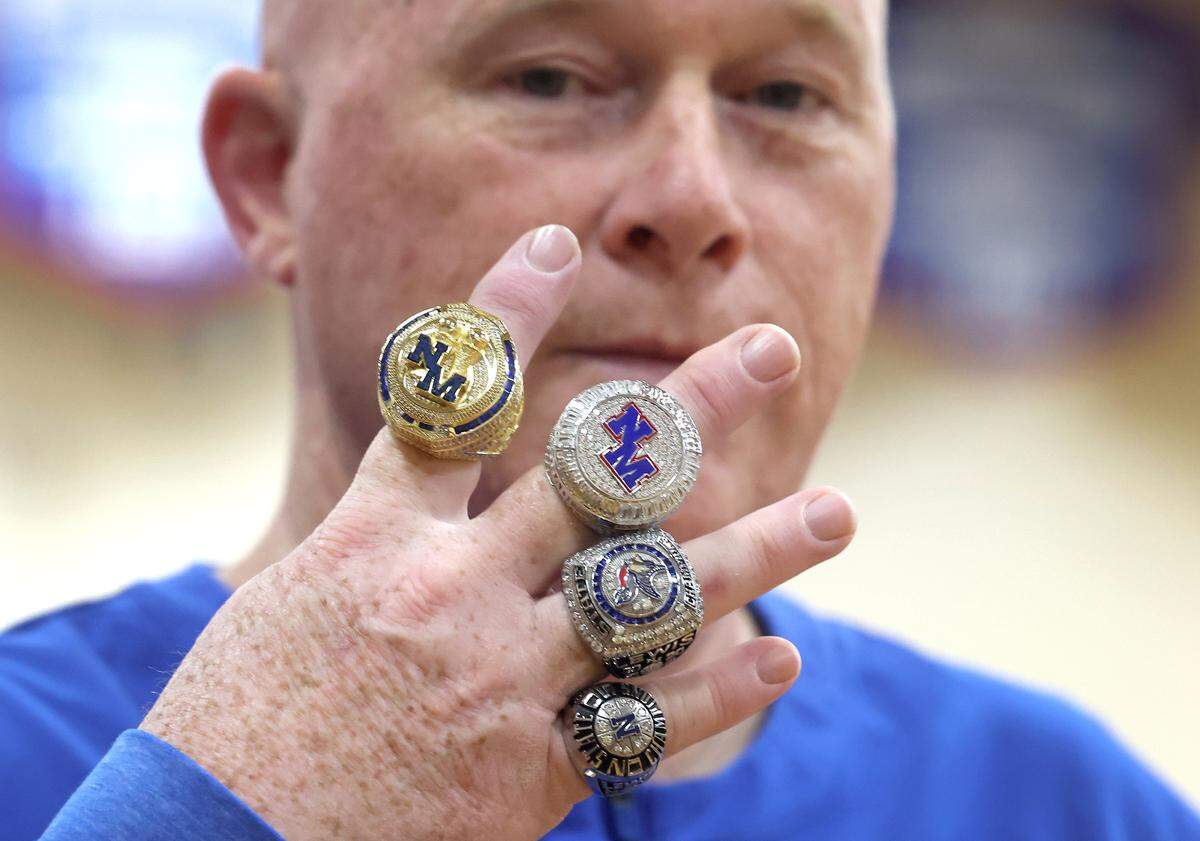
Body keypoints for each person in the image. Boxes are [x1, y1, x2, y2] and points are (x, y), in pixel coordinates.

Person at [2, 0, 1198, 838]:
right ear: (270, 173)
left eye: (787, 93)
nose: (692, 198)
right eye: (549, 78)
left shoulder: (1071, 809)